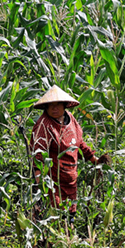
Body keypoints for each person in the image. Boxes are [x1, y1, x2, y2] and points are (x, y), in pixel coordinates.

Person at [31, 86, 109, 216]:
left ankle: (70, 232)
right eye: (51, 106)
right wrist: (39, 184)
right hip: (53, 179)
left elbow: (79, 143)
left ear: (64, 105)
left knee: (71, 212)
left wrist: (94, 160)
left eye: (58, 105)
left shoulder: (70, 119)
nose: (54, 109)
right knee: (56, 212)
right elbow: (38, 155)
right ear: (46, 108)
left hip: (70, 176)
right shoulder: (44, 124)